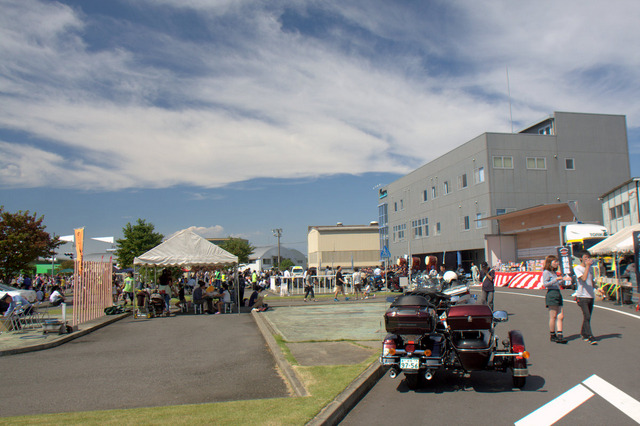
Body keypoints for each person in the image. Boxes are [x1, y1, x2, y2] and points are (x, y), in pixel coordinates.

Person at [543, 255, 571, 344]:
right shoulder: (546, 272)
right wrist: (556, 279)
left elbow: (556, 283)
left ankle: (560, 334)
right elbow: (545, 284)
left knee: (561, 315)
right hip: (551, 293)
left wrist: (562, 280)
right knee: (553, 316)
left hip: (557, 293)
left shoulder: (553, 272)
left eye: (557, 262)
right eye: (555, 262)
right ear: (550, 263)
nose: (556, 263)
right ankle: (552, 334)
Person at [574, 251, 598, 345]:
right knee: (587, 315)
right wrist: (587, 266)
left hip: (590, 295)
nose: (587, 259)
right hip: (582, 295)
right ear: (581, 258)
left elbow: (591, 280)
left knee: (588, 317)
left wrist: (597, 288)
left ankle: (583, 333)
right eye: (585, 257)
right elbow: (583, 279)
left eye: (588, 257)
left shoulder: (591, 269)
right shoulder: (577, 268)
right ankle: (590, 336)